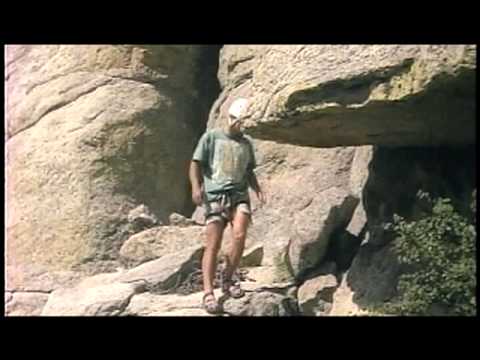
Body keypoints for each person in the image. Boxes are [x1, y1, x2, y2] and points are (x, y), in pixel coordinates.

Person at [189, 97, 266, 314]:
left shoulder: (246, 144)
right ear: (232, 118)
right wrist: (196, 187)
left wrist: (258, 189)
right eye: (238, 120)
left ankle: (228, 277)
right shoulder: (212, 137)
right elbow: (195, 163)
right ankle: (207, 292)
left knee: (240, 236)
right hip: (215, 197)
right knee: (213, 245)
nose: (239, 125)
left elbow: (249, 170)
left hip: (239, 195)